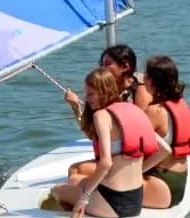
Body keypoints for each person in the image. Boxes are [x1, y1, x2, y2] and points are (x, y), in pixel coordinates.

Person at [49, 67, 168, 218]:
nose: (87, 98)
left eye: (91, 93)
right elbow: (165, 149)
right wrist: (140, 171)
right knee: (77, 181)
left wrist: (84, 198)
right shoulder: (134, 110)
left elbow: (106, 163)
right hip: (136, 201)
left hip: (111, 202)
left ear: (104, 91)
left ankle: (79, 215)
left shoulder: (101, 115)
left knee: (57, 190)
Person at [62, 44, 152, 181]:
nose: (102, 69)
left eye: (107, 64)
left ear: (125, 67)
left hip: (133, 161)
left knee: (76, 171)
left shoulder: (140, 91)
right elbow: (93, 135)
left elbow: (140, 135)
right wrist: (75, 108)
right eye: (101, 65)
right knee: (75, 171)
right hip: (117, 157)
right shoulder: (106, 94)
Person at [142, 55, 190, 209]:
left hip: (160, 184)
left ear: (151, 81)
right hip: (179, 181)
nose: (143, 77)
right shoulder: (181, 104)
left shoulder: (154, 111)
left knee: (91, 183)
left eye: (145, 75)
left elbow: (132, 145)